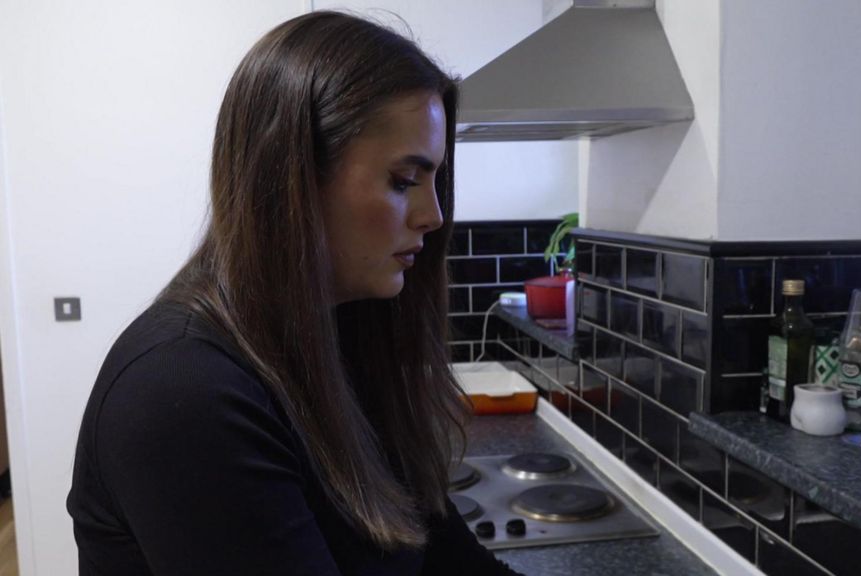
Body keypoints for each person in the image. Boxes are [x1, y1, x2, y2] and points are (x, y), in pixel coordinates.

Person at [66, 11, 522, 576]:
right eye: (403, 181)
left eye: (435, 182)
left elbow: (450, 561)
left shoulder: (341, 339)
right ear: (292, 177)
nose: (433, 215)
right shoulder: (183, 392)